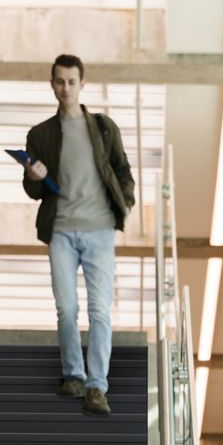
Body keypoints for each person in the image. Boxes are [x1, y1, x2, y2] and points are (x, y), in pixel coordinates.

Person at [22, 53, 135, 418]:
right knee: (67, 308)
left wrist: (125, 204)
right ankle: (73, 374)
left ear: (82, 84)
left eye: (71, 82)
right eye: (59, 81)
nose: (65, 88)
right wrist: (34, 177)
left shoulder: (104, 127)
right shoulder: (40, 134)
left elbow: (122, 170)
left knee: (100, 310)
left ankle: (96, 387)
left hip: (99, 230)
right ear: (51, 83)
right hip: (61, 231)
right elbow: (34, 192)